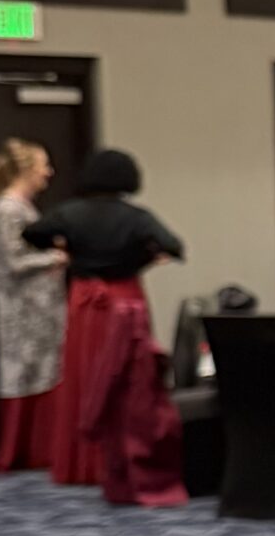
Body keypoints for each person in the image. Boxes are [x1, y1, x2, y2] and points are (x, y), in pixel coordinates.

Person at [25, 148, 186, 507]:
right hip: (126, 300)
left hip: (85, 302)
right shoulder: (137, 217)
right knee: (130, 382)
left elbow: (33, 233)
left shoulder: (70, 212)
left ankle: (79, 463)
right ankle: (124, 460)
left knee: (83, 376)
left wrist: (66, 249)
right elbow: (173, 246)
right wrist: (142, 258)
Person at [0, 139, 67, 472]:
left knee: (42, 370)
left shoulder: (23, 207)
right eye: (44, 165)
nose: (49, 172)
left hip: (39, 307)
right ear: (26, 170)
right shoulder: (8, 209)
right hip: (22, 308)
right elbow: (12, 261)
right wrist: (55, 257)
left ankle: (41, 448)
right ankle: (22, 448)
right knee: (23, 370)